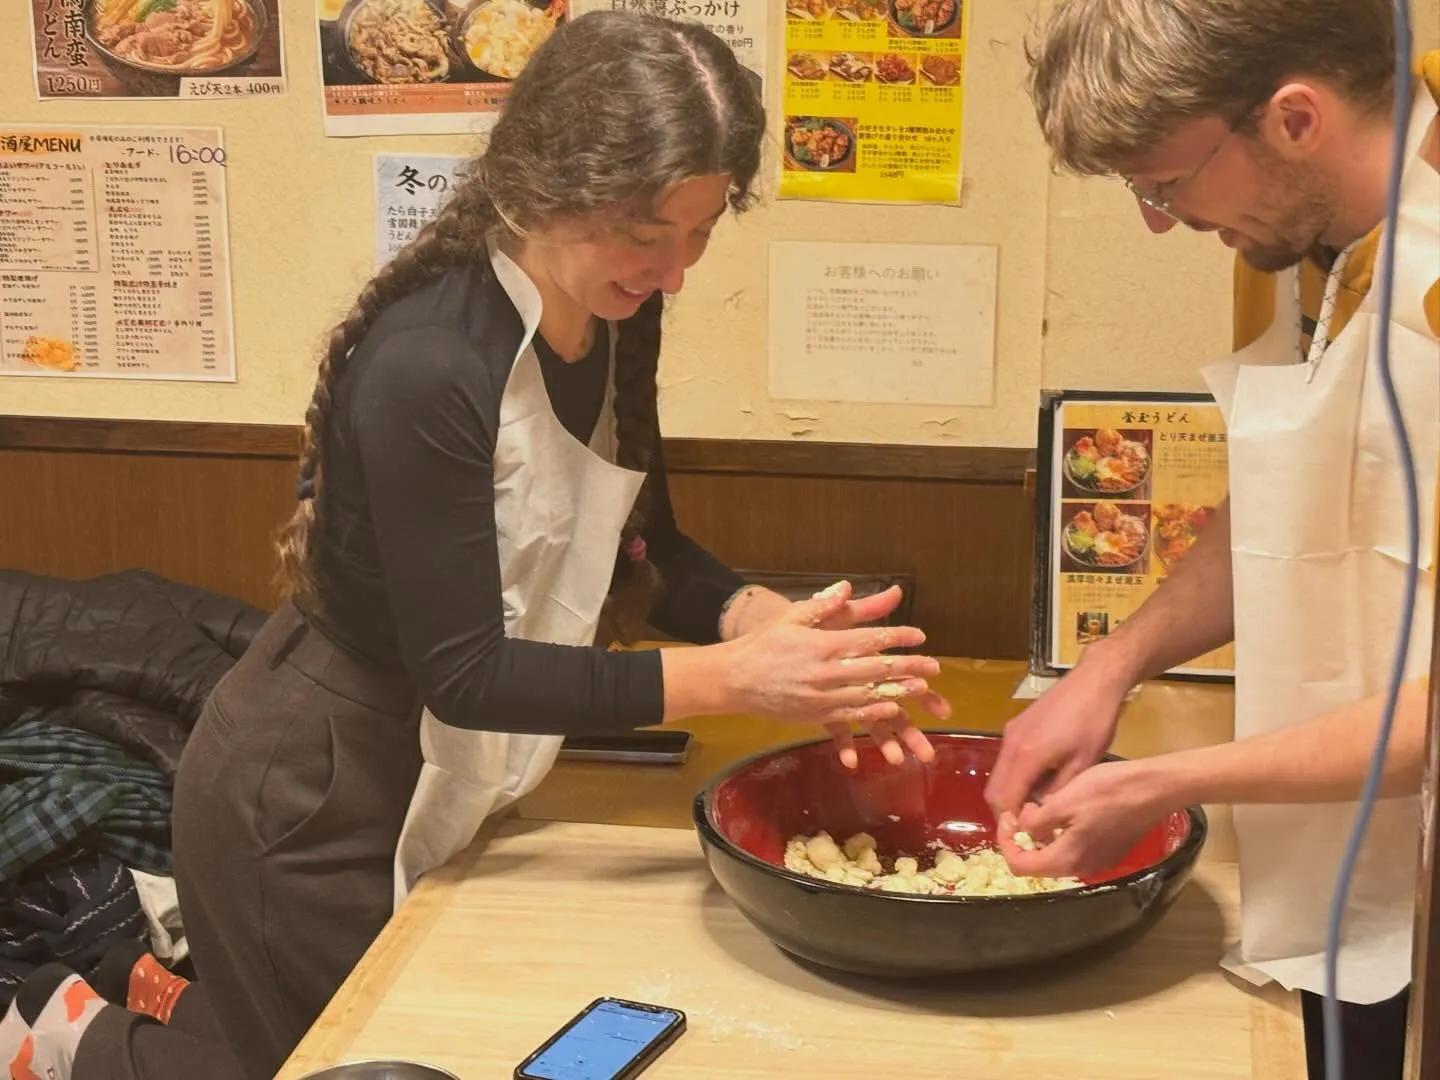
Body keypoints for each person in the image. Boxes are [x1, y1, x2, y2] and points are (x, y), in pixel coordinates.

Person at [0, 13, 948, 1080]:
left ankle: (113, 1012)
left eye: (702, 233)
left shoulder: (612, 306)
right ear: (551, 182)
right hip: (309, 799)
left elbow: (648, 554)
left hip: (443, 771)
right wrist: (737, 680)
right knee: (340, 1067)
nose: (676, 271)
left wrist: (762, 621)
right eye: (649, 232)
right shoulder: (430, 361)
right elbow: (467, 674)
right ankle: (66, 1035)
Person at [986, 3, 1439, 1078]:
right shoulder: (1302, 241)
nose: (1160, 221)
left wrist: (1161, 782)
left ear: (1294, 119)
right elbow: (1291, 503)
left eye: (1166, 183)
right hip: (1329, 840)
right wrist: (1111, 665)